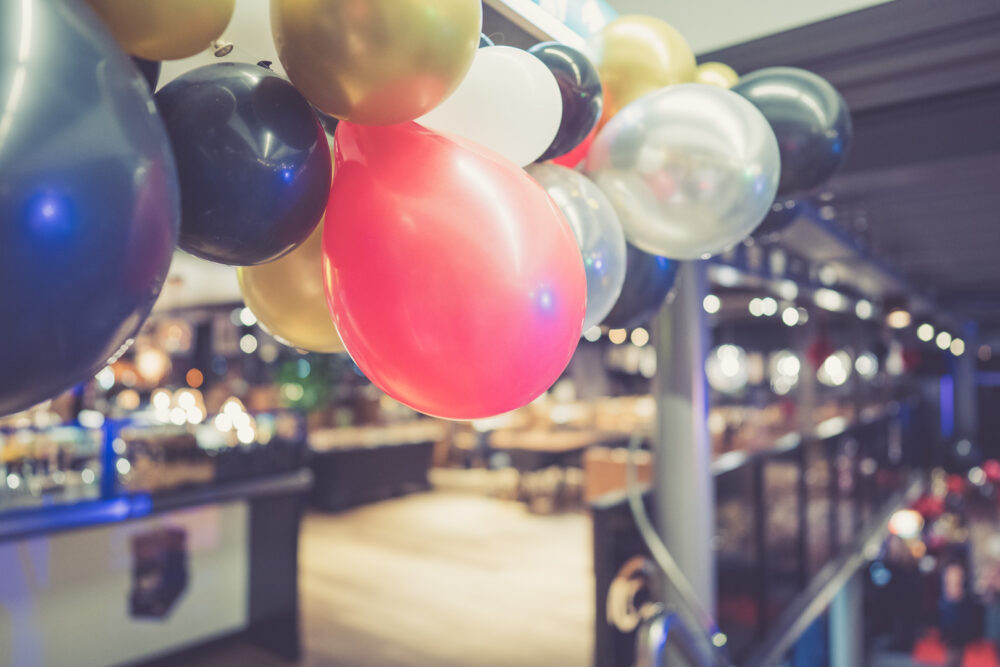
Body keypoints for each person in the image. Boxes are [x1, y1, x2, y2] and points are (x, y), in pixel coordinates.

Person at [938, 561, 978, 667]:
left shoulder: (965, 600)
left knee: (957, 650)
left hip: (958, 619)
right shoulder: (952, 573)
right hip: (952, 617)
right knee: (953, 650)